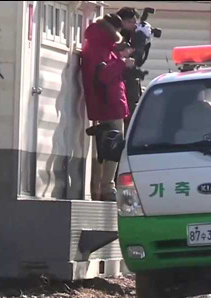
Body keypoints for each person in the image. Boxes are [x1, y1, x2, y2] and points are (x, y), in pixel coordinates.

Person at [81, 13, 134, 201]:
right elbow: (103, 75)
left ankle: (99, 186)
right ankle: (107, 187)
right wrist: (122, 63)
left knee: (102, 149)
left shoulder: (97, 44)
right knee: (113, 146)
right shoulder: (99, 48)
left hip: (106, 102)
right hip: (109, 103)